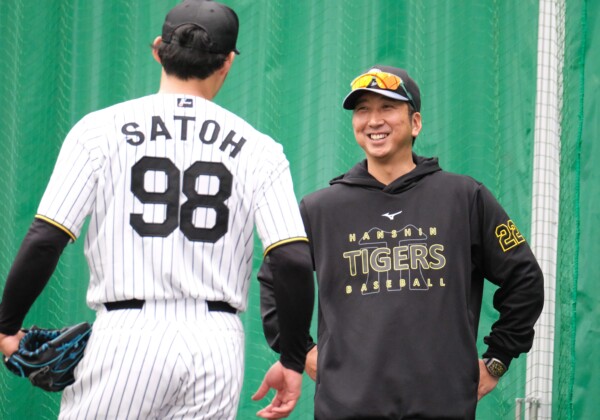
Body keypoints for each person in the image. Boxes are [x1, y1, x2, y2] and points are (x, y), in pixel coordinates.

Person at [0, 1, 314, 418]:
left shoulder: (98, 131)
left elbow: (46, 239)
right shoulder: (260, 149)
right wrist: (293, 358)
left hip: (127, 334)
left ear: (156, 50)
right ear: (227, 62)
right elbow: (292, 260)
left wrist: (7, 325)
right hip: (217, 344)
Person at [253, 65, 545, 419]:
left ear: (416, 122)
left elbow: (525, 279)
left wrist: (497, 360)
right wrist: (302, 351)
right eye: (363, 110)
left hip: (443, 407)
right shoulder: (321, 209)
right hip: (346, 409)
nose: (373, 120)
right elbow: (276, 277)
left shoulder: (464, 197)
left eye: (388, 107)